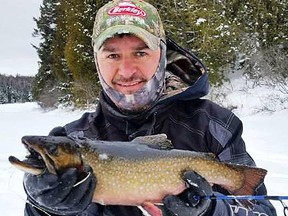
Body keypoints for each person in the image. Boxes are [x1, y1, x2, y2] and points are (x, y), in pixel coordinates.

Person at [23, 0, 277, 215]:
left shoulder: (214, 125)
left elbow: (258, 210)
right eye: (112, 55)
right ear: (97, 62)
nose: (126, 70)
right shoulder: (75, 139)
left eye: (141, 53)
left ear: (163, 55)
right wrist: (43, 206)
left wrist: (211, 211)